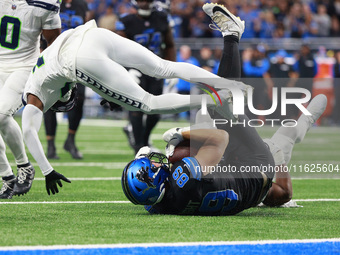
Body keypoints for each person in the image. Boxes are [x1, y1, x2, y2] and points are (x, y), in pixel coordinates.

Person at [121, 3, 327, 215]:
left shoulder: (159, 205)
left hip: (251, 192)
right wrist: (179, 133)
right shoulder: (183, 176)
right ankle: (232, 34)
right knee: (219, 107)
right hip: (254, 163)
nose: (156, 164)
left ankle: (297, 130)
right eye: (152, 167)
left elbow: (157, 194)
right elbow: (219, 138)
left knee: (282, 192)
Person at [21, 18, 248, 195]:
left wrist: (47, 170)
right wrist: (107, 89)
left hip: (78, 58)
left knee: (148, 103)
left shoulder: (36, 93)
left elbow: (29, 131)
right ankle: (227, 85)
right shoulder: (40, 68)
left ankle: (215, 99)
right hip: (90, 34)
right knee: (163, 66)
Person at [0, 0, 61, 199]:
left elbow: (54, 46)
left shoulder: (44, 3)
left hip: (24, 66)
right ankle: (8, 177)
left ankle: (23, 165)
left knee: (1, 114)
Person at [116, 0, 176, 154]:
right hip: (136, 70)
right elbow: (117, 50)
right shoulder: (126, 21)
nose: (145, 4)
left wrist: (173, 69)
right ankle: (139, 147)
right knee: (136, 108)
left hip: (156, 70)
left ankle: (144, 140)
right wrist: (126, 69)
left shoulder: (161, 17)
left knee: (156, 111)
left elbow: (169, 45)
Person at [44, 0, 90, 160]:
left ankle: (70, 140)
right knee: (50, 99)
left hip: (76, 57)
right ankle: (50, 144)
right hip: (52, 55)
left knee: (80, 97)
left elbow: (85, 30)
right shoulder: (50, 2)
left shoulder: (81, 5)